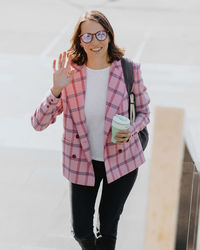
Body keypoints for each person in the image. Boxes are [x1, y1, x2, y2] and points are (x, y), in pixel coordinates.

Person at [31, 10, 150, 250]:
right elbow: (38, 124)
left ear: (109, 35)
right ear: (79, 41)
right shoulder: (70, 75)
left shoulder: (129, 70)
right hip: (82, 163)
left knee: (107, 232)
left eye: (100, 34)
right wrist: (55, 90)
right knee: (82, 232)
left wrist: (132, 129)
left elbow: (145, 113)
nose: (94, 42)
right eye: (87, 37)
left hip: (122, 161)